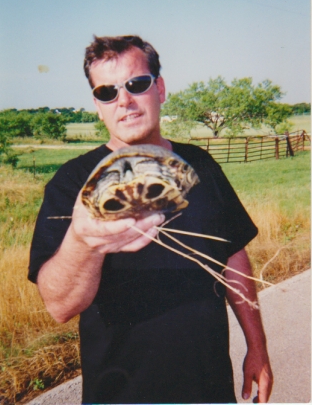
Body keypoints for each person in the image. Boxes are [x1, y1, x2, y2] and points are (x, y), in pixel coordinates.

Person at [28, 35, 273, 404]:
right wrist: (82, 241)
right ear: (97, 105)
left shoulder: (200, 164)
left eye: (136, 84)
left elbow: (233, 255)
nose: (123, 101)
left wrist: (258, 347)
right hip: (122, 392)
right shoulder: (73, 182)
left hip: (209, 386)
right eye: (107, 92)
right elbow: (59, 307)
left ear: (159, 88)